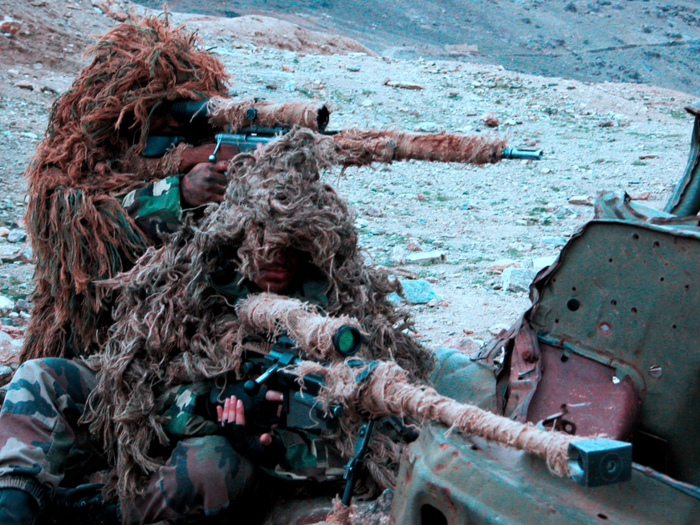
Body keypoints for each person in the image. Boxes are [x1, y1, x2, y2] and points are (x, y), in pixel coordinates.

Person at [0, 127, 433, 524]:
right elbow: (143, 371)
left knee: (208, 468)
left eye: (289, 243)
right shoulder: (199, 271)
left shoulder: (338, 315)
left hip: (220, 448)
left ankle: (106, 514)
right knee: (40, 378)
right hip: (151, 407)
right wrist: (201, 404)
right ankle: (14, 505)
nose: (274, 255)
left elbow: (364, 447)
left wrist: (269, 446)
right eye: (261, 236)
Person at [21, 16, 237, 362]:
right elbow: (96, 244)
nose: (172, 123)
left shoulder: (205, 148)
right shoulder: (64, 166)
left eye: (182, 112)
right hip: (87, 348)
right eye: (158, 112)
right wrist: (177, 195)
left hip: (181, 343)